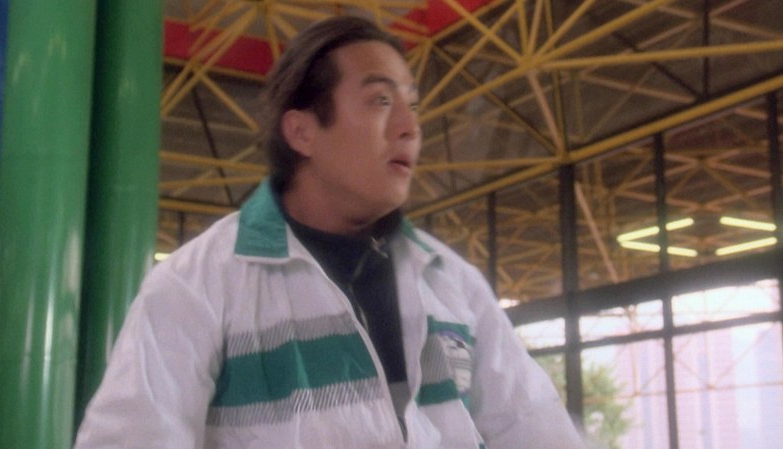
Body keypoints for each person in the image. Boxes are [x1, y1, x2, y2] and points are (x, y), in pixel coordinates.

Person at [74, 15, 585, 449]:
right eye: (380, 101)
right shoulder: (199, 285)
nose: (410, 126)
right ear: (301, 131)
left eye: (412, 105)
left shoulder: (452, 283)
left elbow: (535, 427)